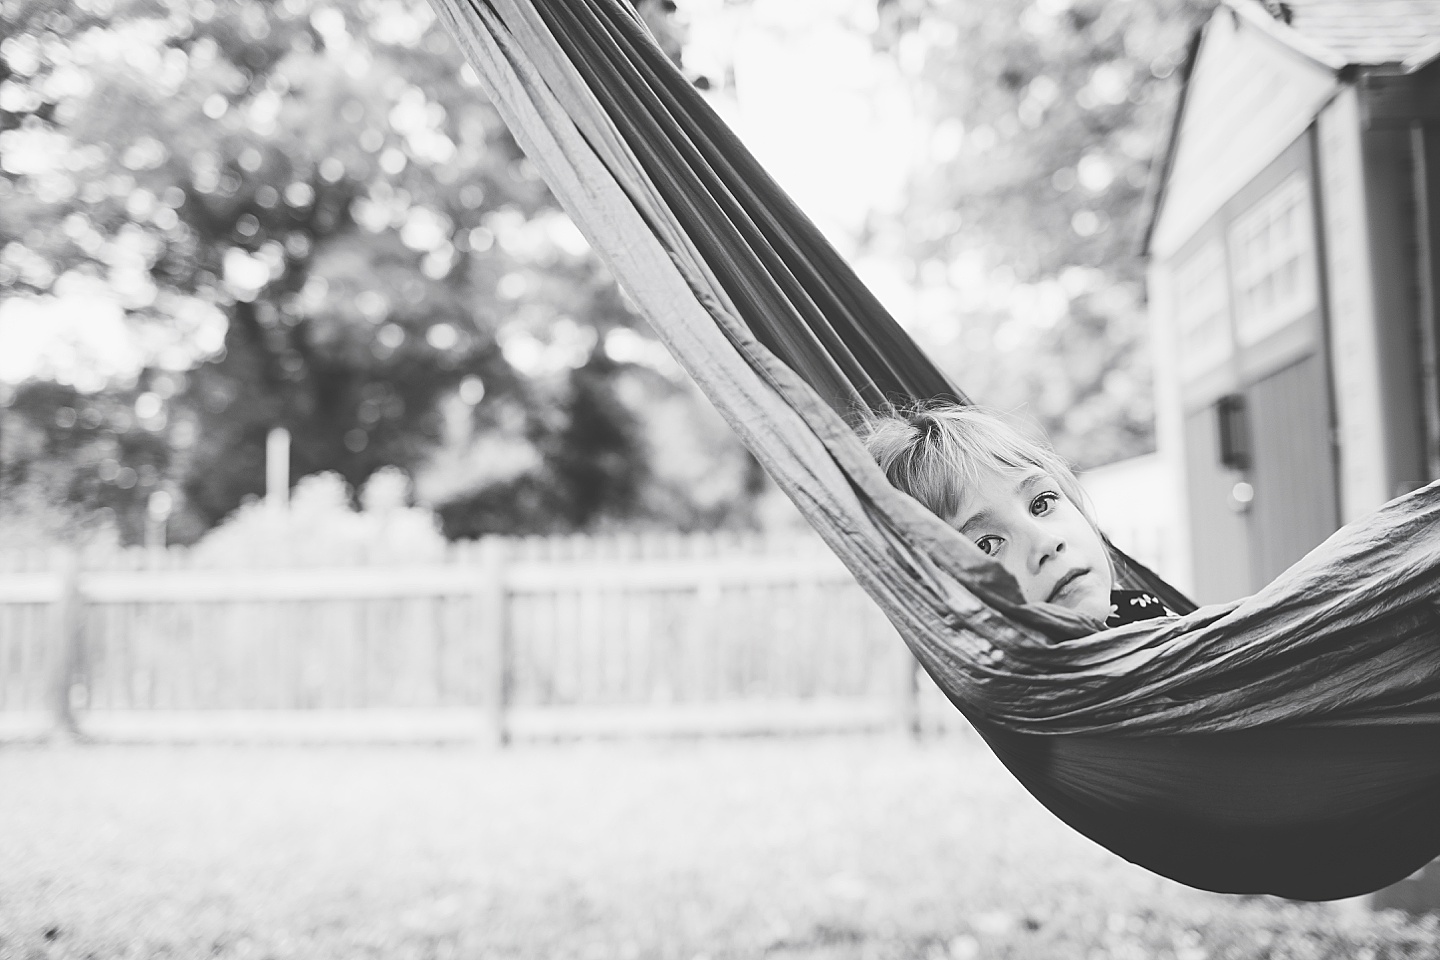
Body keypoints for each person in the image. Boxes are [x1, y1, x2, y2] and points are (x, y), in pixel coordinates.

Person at [859, 402, 1170, 630]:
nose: (1046, 543)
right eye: (985, 545)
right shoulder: (1033, 704)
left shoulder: (1155, 624)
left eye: (1042, 503)